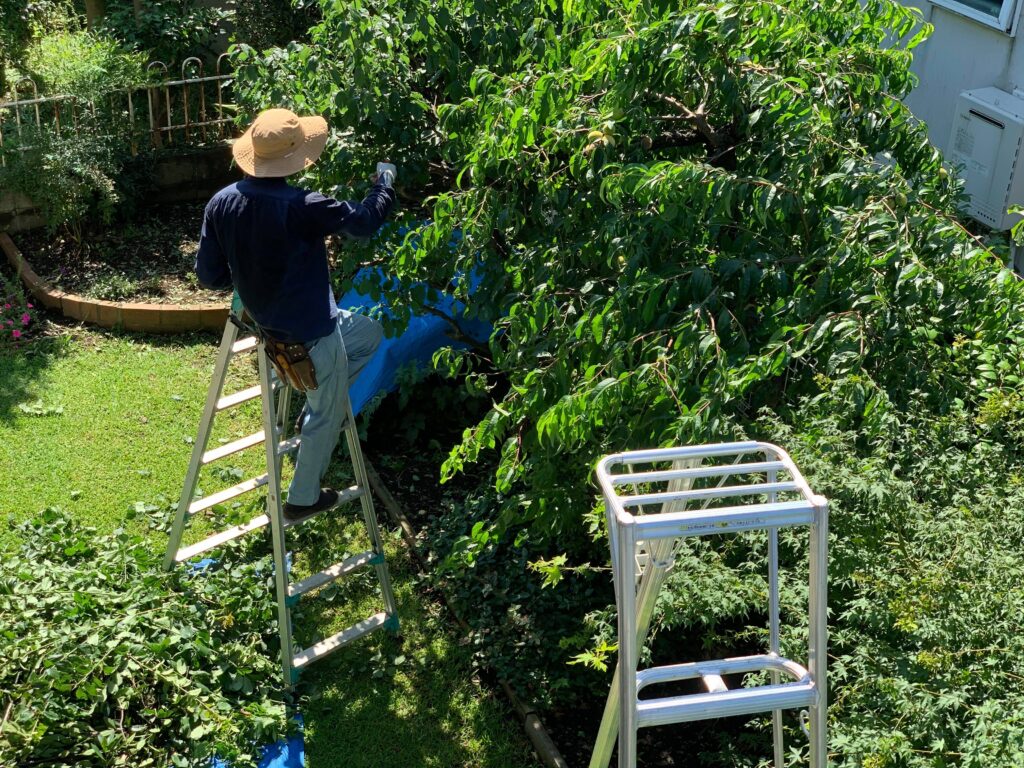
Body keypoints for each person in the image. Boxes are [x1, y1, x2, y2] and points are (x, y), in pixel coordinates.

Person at [195, 107, 396, 521]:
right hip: (313, 335)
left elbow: (210, 277)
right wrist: (384, 184)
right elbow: (365, 222)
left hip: (272, 328)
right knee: (327, 413)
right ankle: (302, 498)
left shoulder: (221, 203)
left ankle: (318, 405)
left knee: (369, 335)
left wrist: (250, 271)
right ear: (293, 156)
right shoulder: (304, 205)